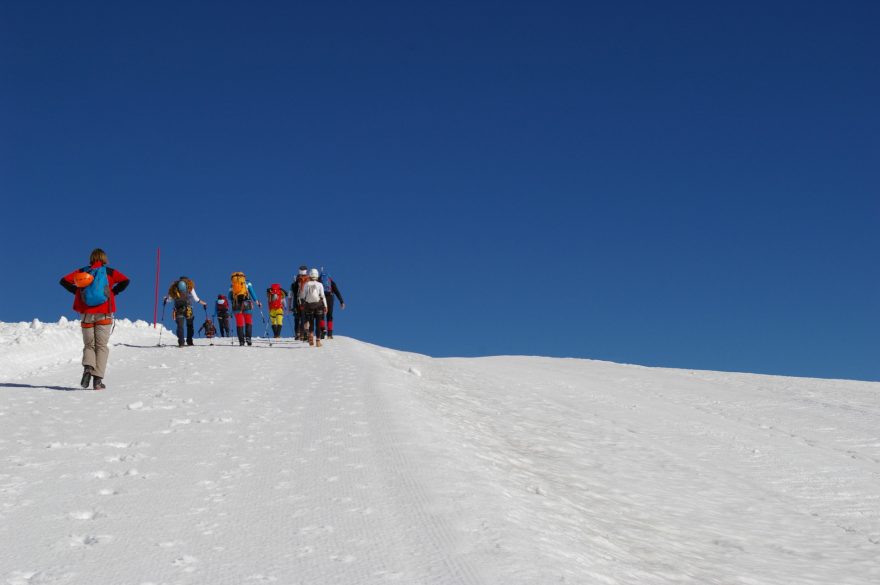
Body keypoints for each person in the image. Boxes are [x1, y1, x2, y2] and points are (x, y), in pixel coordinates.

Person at [59, 248, 130, 390]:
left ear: (91, 258)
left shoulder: (82, 271)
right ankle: (97, 381)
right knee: (101, 346)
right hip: (104, 314)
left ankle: (87, 368)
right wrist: (113, 292)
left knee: (89, 345)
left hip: (86, 314)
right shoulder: (109, 272)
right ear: (104, 258)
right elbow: (125, 281)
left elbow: (63, 281)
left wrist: (77, 292)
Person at [163, 276, 208, 347]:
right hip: (188, 309)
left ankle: (181, 342)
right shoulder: (190, 286)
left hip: (178, 309)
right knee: (189, 325)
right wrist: (204, 303)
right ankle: (189, 341)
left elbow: (170, 299)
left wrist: (165, 299)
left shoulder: (175, 287)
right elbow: (196, 299)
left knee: (180, 326)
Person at [229, 271, 262, 346]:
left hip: (236, 305)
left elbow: (229, 297)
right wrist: (257, 302)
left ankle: (241, 341)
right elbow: (252, 293)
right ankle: (248, 339)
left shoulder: (232, 285)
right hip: (247, 303)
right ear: (244, 277)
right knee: (248, 322)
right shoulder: (247, 283)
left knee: (239, 323)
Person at [298, 268, 327, 347]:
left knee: (311, 323)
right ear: (317, 276)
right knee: (318, 324)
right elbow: (323, 296)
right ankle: (318, 341)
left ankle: (310, 334)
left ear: (310, 275)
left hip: (309, 306)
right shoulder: (320, 284)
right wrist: (325, 306)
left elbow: (303, 296)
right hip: (318, 306)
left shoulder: (307, 284)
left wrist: (302, 304)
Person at [318, 268, 346, 339]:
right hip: (330, 298)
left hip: (321, 298)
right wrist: (341, 301)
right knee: (329, 315)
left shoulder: (318, 281)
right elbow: (337, 292)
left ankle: (322, 330)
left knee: (321, 314)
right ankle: (330, 334)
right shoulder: (331, 282)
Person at [290, 266, 309, 340]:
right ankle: (304, 332)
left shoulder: (295, 283)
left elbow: (291, 295)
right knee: (305, 317)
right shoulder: (308, 280)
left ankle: (297, 334)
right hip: (306, 301)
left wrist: (290, 306)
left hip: (297, 302)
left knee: (297, 318)